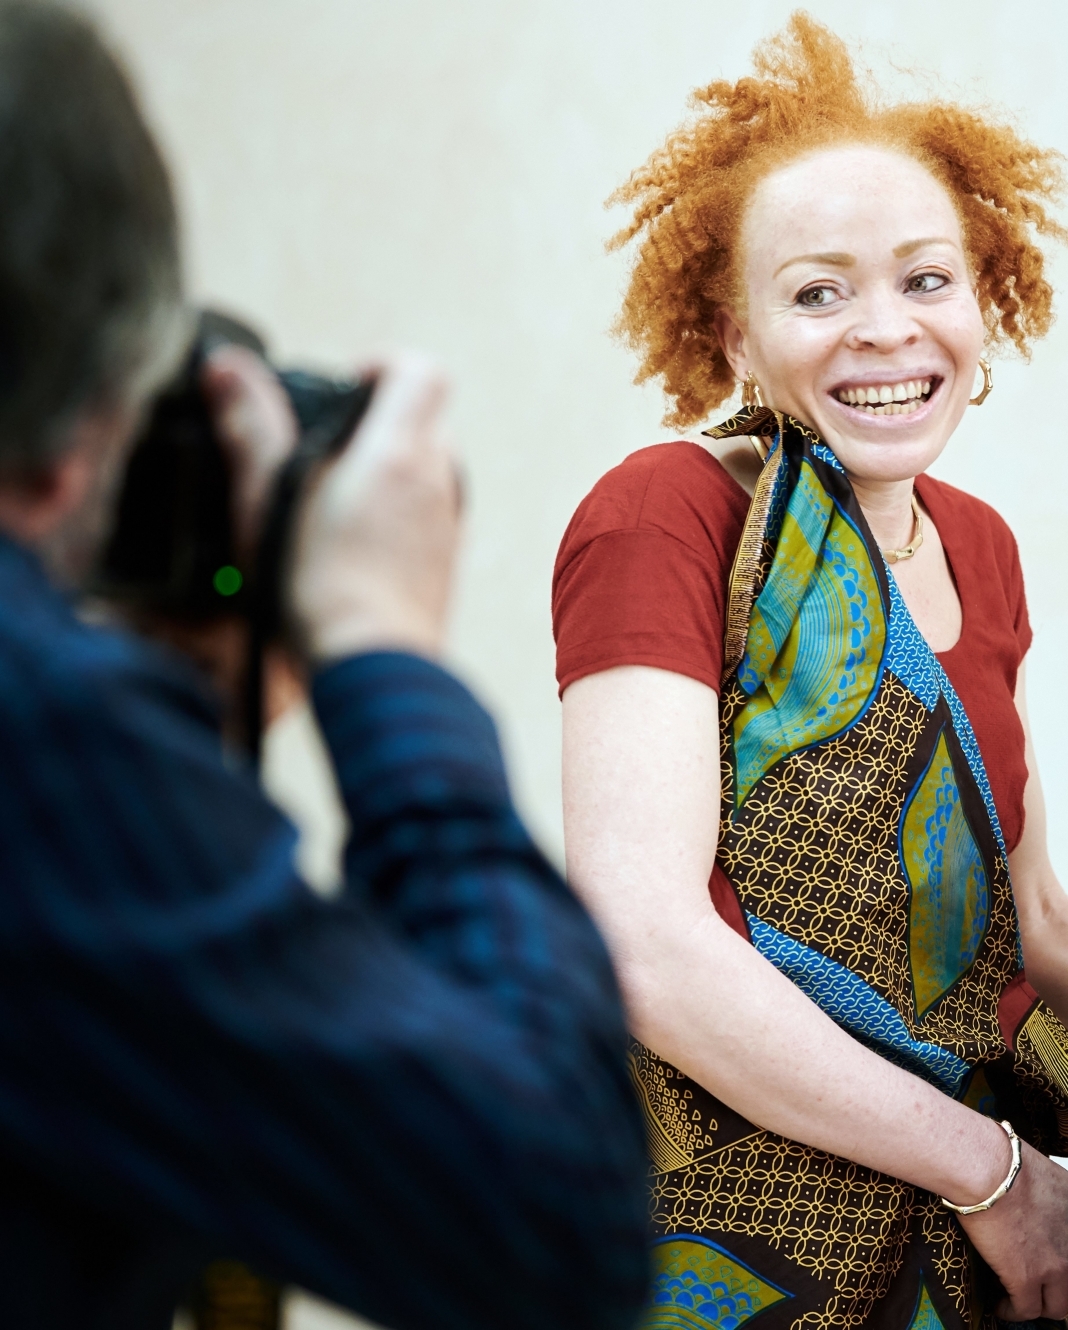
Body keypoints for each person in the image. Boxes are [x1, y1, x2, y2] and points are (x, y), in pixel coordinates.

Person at [0, 5, 650, 1326]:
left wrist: (172, 709)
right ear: (72, 442)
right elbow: (551, 1221)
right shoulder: (40, 733)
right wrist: (382, 649)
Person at [555, 15, 1068, 1327]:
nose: (885, 330)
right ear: (737, 339)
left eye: (928, 279)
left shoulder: (983, 546)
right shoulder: (670, 511)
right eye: (818, 291)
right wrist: (996, 1177)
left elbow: (1027, 923)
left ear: (989, 301)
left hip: (968, 1257)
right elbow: (644, 941)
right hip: (731, 1239)